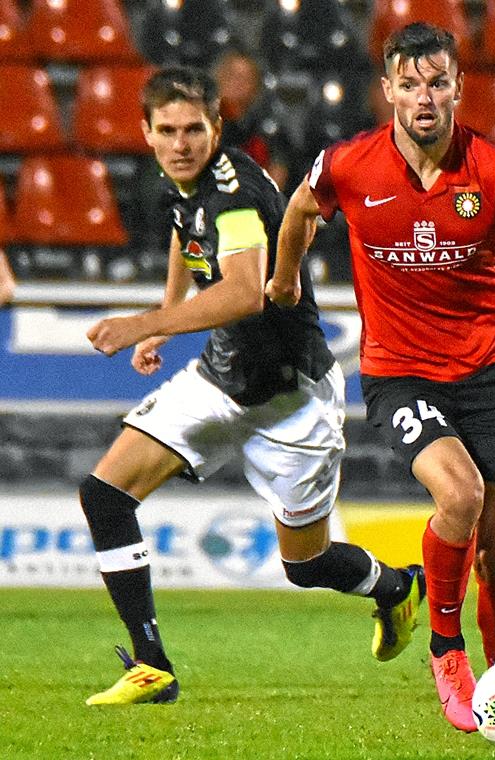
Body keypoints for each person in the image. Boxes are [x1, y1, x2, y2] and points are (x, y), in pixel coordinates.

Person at [265, 22, 495, 733]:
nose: (423, 97)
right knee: (458, 494)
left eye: (437, 82)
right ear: (388, 90)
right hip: (400, 374)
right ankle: (446, 648)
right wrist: (283, 282)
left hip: (486, 372)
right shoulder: (349, 164)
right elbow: (301, 209)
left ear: (458, 86)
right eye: (409, 84)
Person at [81, 66, 424, 706]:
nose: (181, 143)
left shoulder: (232, 193)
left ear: (216, 127)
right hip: (221, 378)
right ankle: (152, 665)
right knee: (104, 495)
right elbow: (189, 238)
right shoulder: (183, 184)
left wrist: (142, 325)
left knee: (306, 565)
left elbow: (242, 291)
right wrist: (167, 319)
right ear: (147, 133)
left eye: (193, 130)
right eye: (167, 131)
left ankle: (395, 587)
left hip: (293, 399)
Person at [214, 48, 294, 191]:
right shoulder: (204, 122)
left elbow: (279, 170)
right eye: (233, 77)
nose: (238, 84)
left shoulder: (267, 128)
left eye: (246, 79)